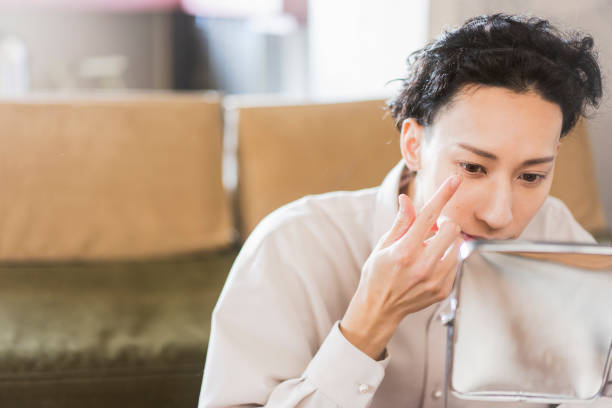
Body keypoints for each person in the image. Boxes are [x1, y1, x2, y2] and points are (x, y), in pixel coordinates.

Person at [199, 14, 609, 408]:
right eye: (472, 167)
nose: (500, 216)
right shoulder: (292, 247)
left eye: (532, 176)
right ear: (413, 144)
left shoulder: (557, 237)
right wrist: (368, 323)